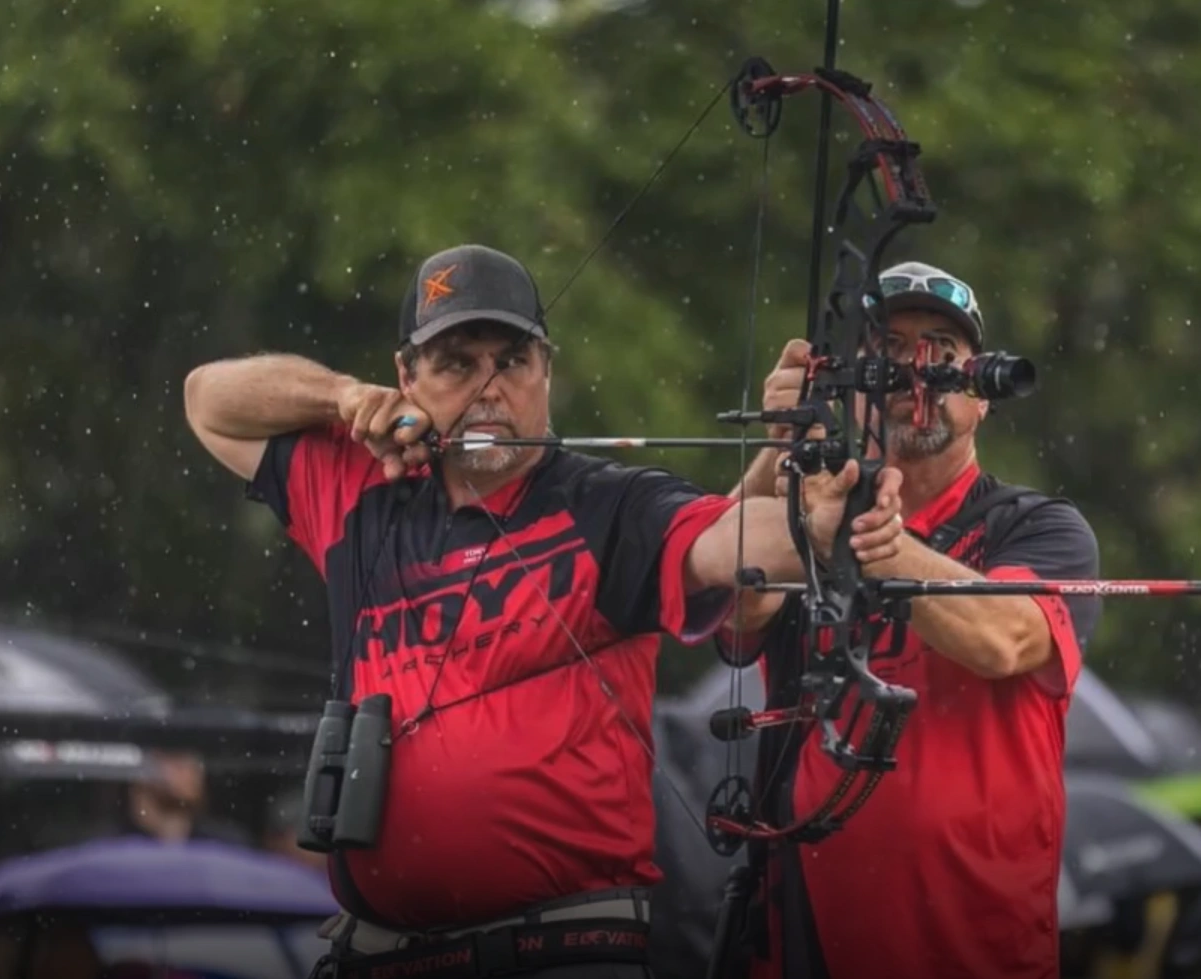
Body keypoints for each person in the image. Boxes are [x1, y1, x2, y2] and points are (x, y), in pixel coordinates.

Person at [182, 243, 905, 979]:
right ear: (406, 378)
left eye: (512, 362)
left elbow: (727, 540)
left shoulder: (609, 503)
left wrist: (812, 522)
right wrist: (339, 397)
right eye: (457, 364)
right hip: (379, 952)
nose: (489, 387)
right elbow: (207, 400)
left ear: (546, 371)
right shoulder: (361, 489)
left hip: (560, 950)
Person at [727, 260, 1103, 979]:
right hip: (799, 941)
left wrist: (883, 547)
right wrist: (780, 442)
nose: (917, 372)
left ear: (983, 392)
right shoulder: (806, 513)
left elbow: (1004, 638)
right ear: (845, 385)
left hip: (974, 949)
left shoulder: (1037, 527)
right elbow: (734, 609)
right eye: (889, 354)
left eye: (941, 351)